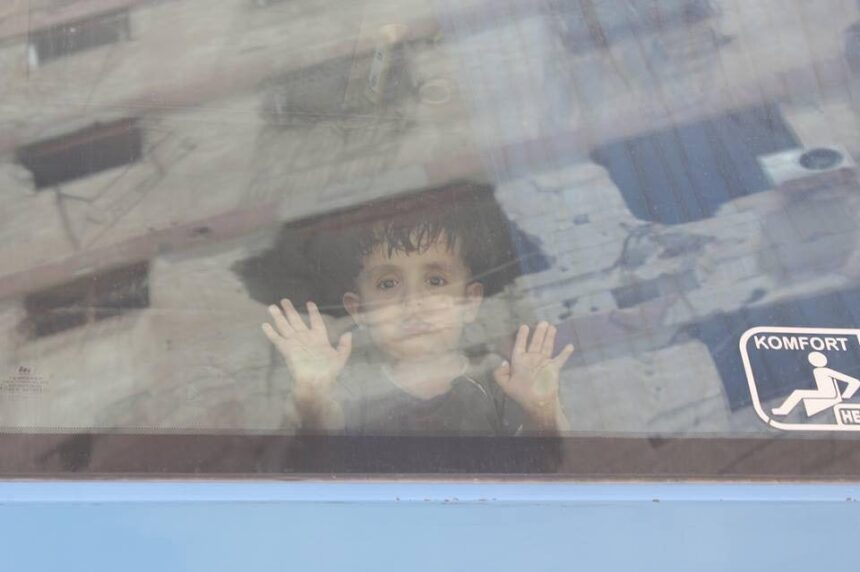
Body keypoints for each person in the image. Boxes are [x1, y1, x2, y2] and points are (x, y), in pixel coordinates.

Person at [261, 181, 574, 435]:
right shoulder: (352, 391)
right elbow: (312, 457)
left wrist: (541, 408)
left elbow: (549, 465)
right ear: (359, 310)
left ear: (470, 302)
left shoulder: (500, 380)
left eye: (435, 281)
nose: (412, 302)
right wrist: (311, 396)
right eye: (387, 284)